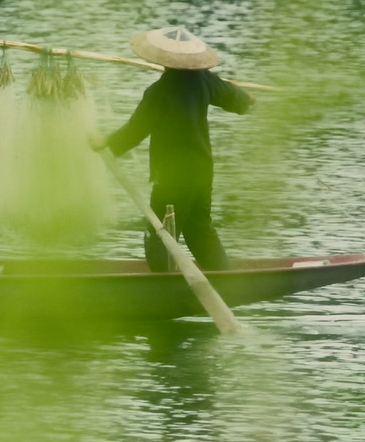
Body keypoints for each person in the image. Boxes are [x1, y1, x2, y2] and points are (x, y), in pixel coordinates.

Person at [90, 27, 253, 271]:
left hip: (173, 176)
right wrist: (247, 99)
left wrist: (106, 143)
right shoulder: (204, 80)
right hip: (202, 171)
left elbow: (136, 130)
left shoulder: (159, 92)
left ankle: (162, 279)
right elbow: (236, 100)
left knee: (160, 233)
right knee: (199, 230)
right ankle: (223, 275)